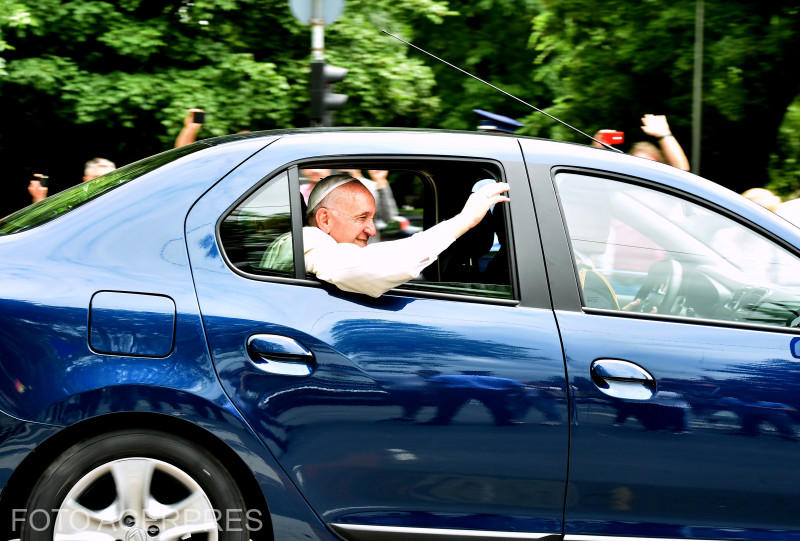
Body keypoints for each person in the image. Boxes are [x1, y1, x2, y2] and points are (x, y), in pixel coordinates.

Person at [296, 173, 510, 298]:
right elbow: (369, 266)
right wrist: (465, 221)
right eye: (361, 218)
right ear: (324, 219)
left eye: (372, 219)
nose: (371, 231)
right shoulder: (309, 241)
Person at [27, 157, 116, 204]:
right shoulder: (73, 203)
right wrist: (39, 196)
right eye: (97, 178)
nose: (104, 181)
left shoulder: (125, 197)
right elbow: (46, 222)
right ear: (86, 180)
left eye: (109, 177)